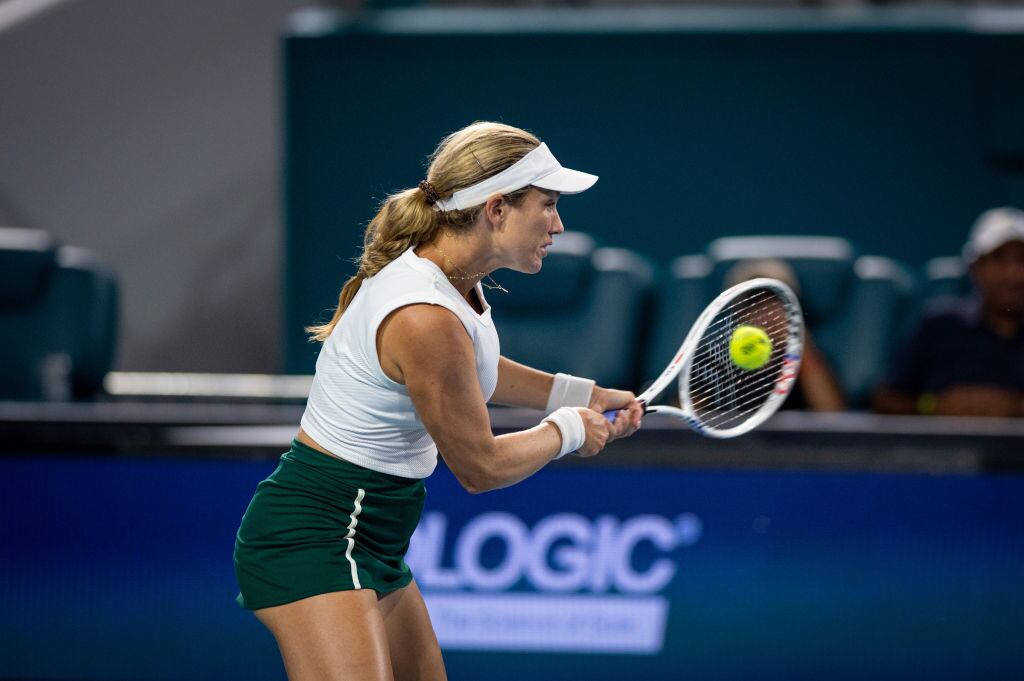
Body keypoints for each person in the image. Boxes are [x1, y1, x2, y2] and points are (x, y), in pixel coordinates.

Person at [233, 121, 644, 681]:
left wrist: (584, 394)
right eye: (546, 205)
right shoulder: (425, 317)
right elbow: (480, 467)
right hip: (317, 535)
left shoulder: (449, 284)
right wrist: (569, 429)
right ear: (496, 209)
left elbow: (475, 371)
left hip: (371, 536)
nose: (558, 224)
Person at [873, 206, 1024, 417]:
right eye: (999, 259)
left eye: (1022, 259)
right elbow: (884, 399)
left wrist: (1015, 407)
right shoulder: (939, 324)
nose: (1013, 274)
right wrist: (933, 405)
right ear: (975, 267)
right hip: (941, 450)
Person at [724, 258, 847, 411]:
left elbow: (832, 415)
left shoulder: (813, 360)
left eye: (775, 299)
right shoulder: (713, 363)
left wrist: (802, 348)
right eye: (754, 302)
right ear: (740, 313)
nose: (766, 311)